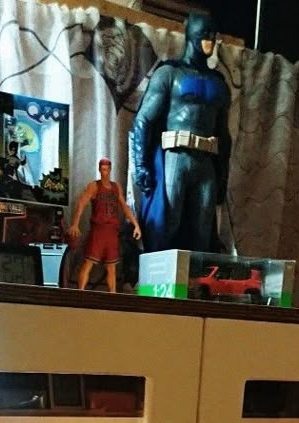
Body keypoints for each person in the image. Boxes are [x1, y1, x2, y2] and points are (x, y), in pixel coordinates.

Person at [131, 10, 231, 253]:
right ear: (192, 34)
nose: (210, 39)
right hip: (175, 156)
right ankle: (155, 281)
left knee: (203, 230)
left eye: (213, 34)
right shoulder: (169, 74)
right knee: (166, 223)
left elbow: (223, 134)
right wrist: (142, 165)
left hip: (206, 160)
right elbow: (144, 120)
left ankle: (196, 285)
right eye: (205, 33)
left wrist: (222, 177)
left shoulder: (219, 83)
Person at [68, 157, 141, 293]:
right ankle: (80, 292)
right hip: (98, 230)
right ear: (99, 169)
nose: (104, 172)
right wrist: (75, 224)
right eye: (102, 169)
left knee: (111, 267)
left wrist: (136, 224)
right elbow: (82, 203)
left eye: (107, 169)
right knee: (88, 263)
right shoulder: (94, 186)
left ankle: (111, 296)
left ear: (110, 170)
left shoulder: (115, 187)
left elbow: (124, 206)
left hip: (112, 230)